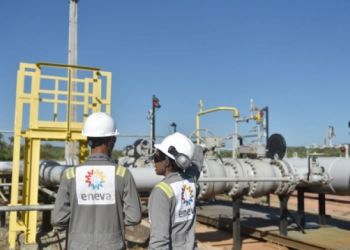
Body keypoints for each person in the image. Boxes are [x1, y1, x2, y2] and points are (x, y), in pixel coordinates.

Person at [52, 112, 142, 250]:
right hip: (112, 244)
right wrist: (114, 222)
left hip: (78, 245)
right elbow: (134, 217)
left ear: (88, 140)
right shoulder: (122, 174)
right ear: (110, 141)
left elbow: (58, 218)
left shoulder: (70, 175)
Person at [148, 132, 204, 250]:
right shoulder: (190, 181)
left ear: (167, 162)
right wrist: (199, 148)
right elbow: (196, 165)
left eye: (156, 156)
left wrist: (197, 149)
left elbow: (159, 241)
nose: (154, 161)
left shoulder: (161, 191)